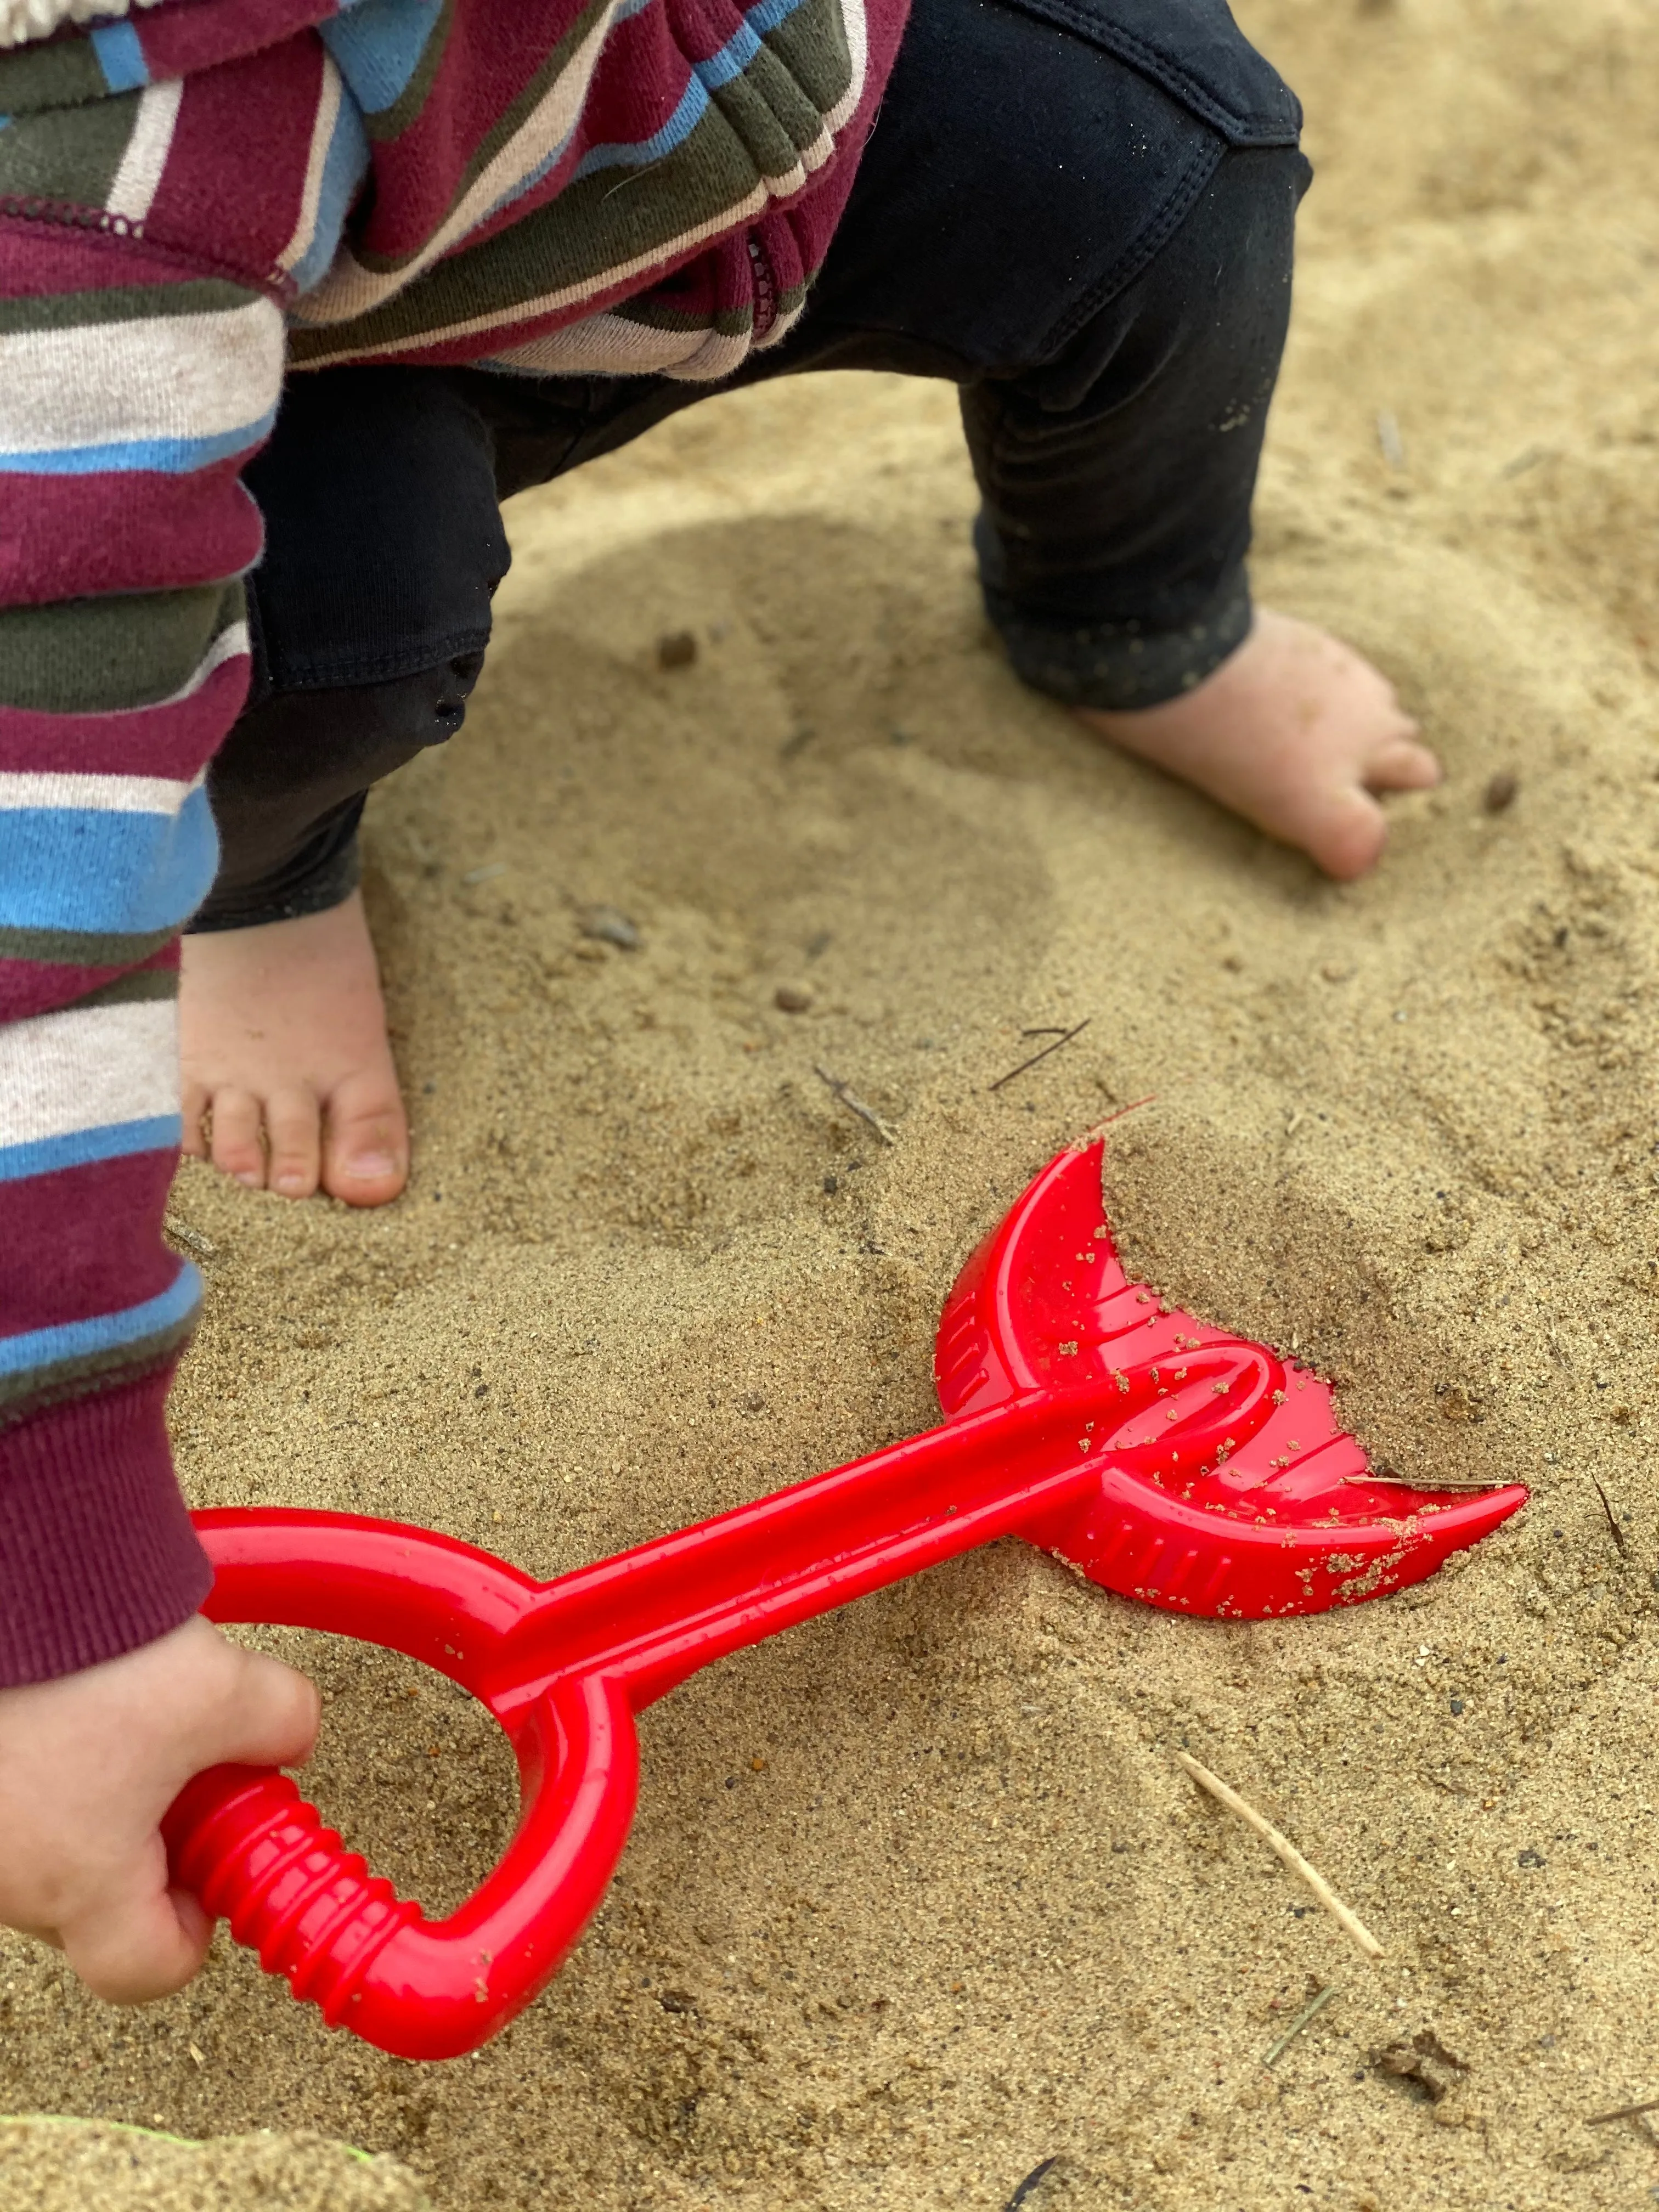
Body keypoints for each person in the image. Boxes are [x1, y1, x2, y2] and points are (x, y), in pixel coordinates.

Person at [0, 0, 1436, 2006]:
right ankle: (269, 876)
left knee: (1178, 173)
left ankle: (1136, 613)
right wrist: (55, 1596)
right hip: (275, 359)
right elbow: (25, 896)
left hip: (741, 76)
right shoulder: (53, 208)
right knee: (328, 629)